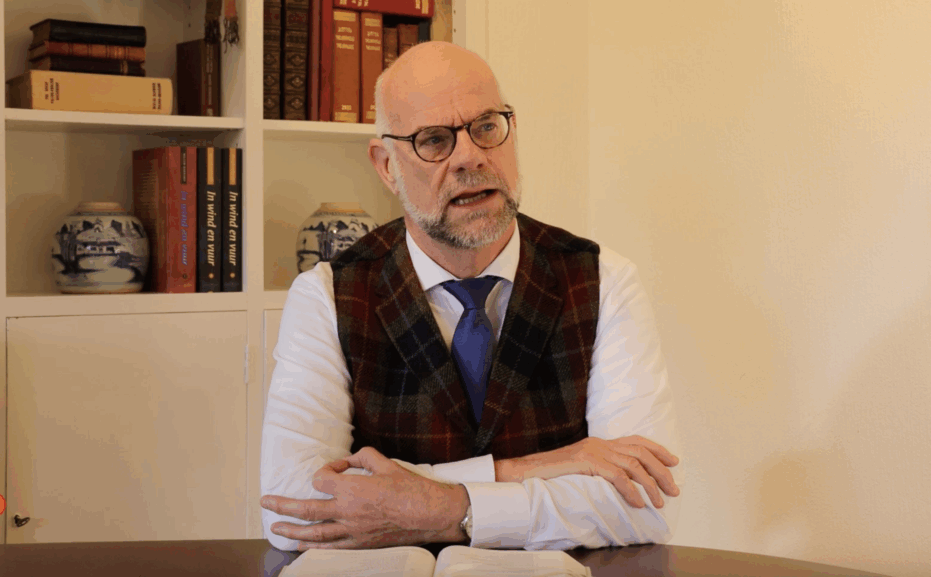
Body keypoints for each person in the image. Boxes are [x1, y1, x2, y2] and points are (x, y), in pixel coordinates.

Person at [260, 41, 682, 552]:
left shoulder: (602, 281)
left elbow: (646, 501)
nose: (470, 157)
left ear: (511, 130)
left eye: (485, 127)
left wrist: (449, 508)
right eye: (434, 140)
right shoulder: (328, 296)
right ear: (387, 166)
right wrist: (533, 468)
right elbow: (291, 506)